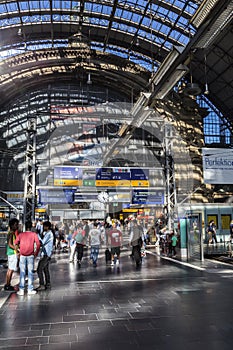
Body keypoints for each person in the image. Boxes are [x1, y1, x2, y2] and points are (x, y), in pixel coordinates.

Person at [14, 221, 41, 295]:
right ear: (31, 227)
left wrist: (17, 252)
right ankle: (30, 289)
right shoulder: (34, 234)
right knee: (30, 272)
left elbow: (15, 243)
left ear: (25, 226)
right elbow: (38, 244)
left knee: (22, 272)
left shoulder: (21, 234)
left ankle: (21, 290)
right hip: (31, 255)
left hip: (22, 255)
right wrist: (36, 253)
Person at [36, 221, 54, 291]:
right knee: (45, 269)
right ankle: (48, 283)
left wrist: (37, 235)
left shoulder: (49, 234)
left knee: (39, 269)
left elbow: (42, 242)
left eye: (44, 226)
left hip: (46, 254)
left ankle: (42, 284)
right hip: (47, 254)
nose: (43, 228)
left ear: (47, 227)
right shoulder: (48, 233)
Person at [4, 218, 19, 291]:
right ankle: (7, 284)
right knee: (11, 269)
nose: (17, 226)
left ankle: (7, 284)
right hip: (12, 253)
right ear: (12, 225)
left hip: (10, 253)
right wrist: (17, 249)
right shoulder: (11, 233)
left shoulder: (10, 232)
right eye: (16, 225)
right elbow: (10, 244)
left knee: (10, 269)